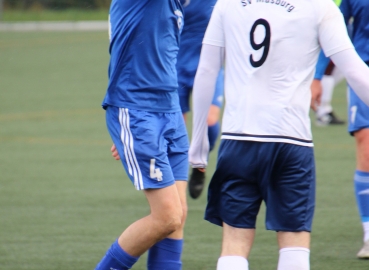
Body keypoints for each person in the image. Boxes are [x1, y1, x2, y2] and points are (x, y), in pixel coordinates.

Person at [188, 0, 369, 269]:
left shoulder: (227, 3)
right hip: (291, 142)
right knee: (294, 240)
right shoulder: (320, 6)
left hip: (238, 139)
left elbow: (206, 71)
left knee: (234, 243)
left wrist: (198, 147)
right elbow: (355, 71)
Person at [94, 1, 189, 269]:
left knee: (177, 215)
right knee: (167, 217)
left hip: (169, 109)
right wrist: (129, 129)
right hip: (137, 109)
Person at [176, 0, 224, 199]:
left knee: (210, 120)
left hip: (208, 66)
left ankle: (199, 164)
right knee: (175, 128)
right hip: (174, 67)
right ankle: (173, 184)